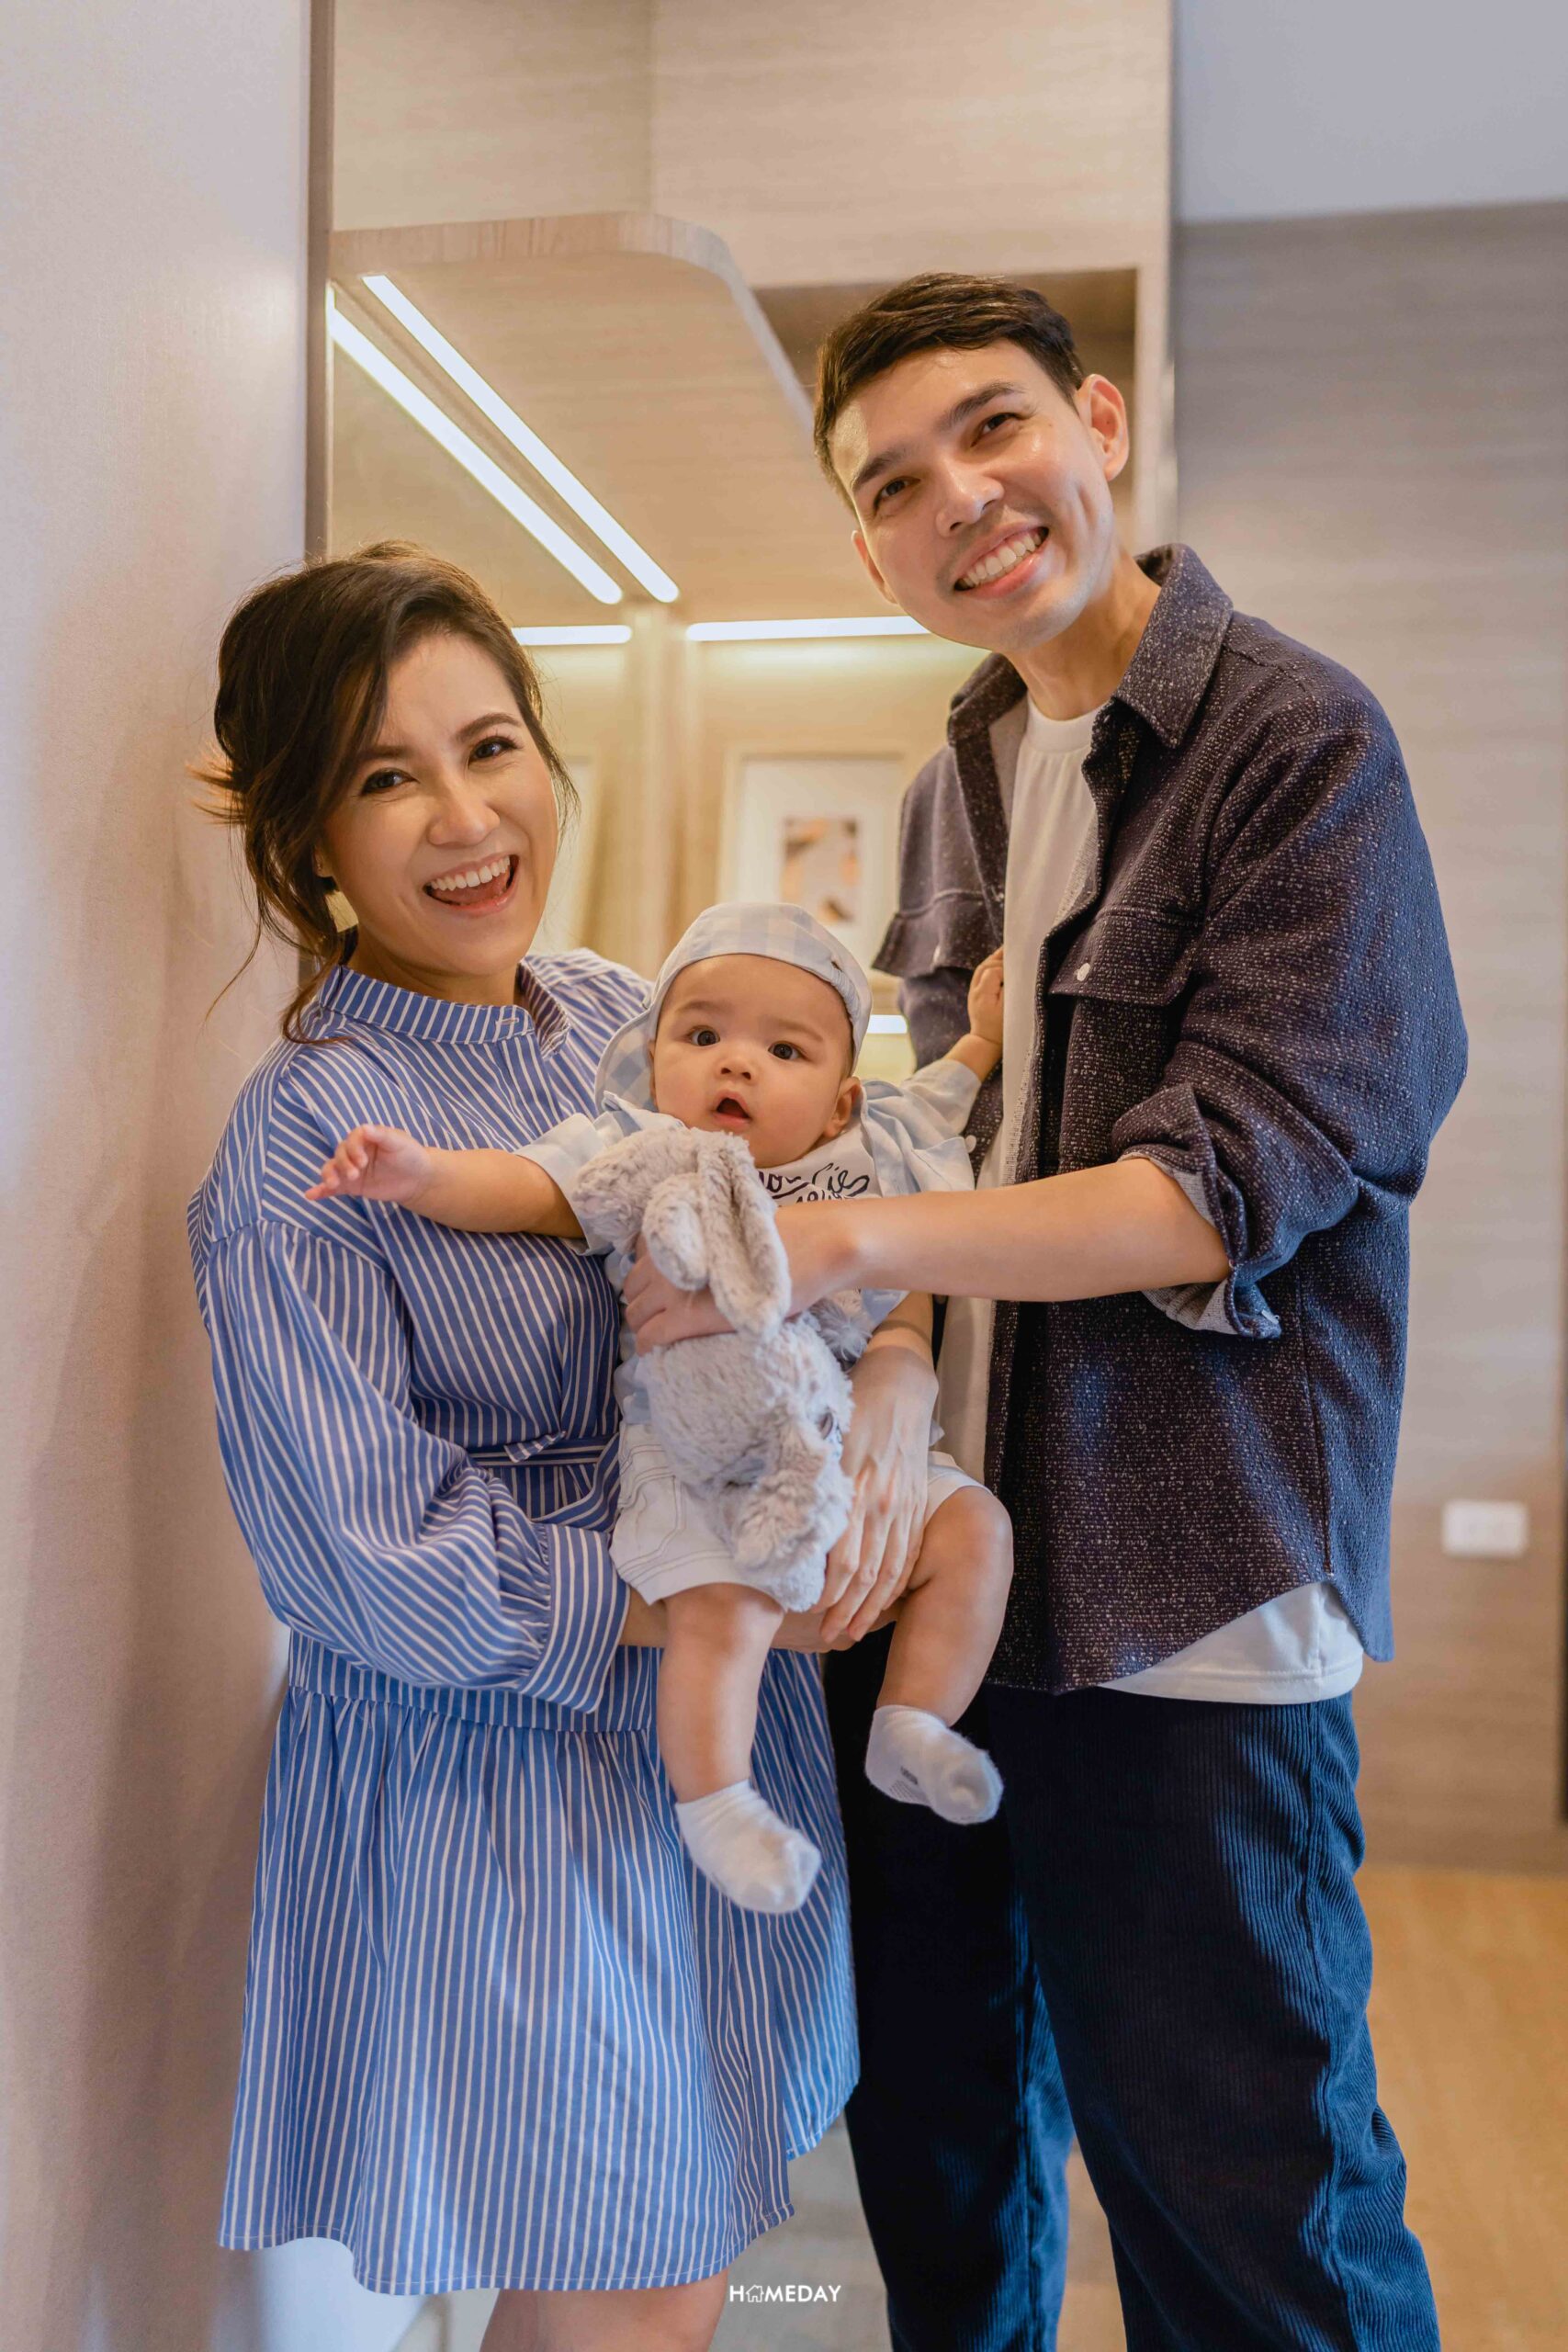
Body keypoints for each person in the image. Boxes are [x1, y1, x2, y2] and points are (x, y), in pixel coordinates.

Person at [625, 276, 1468, 2348]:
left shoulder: (1294, 741)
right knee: (940, 2176)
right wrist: (881, 1368)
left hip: (1179, 1604)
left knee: (1248, 2218)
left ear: (1095, 424)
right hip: (932, 1580)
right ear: (868, 549)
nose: (960, 498)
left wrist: (842, 1259)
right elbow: (943, 1130)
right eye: (893, 482)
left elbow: (1215, 1189)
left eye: (992, 428)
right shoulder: (967, 773)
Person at [186, 542, 940, 2352]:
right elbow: (366, 1561)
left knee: (670, 2255)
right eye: (386, 776)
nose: (466, 818)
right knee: (635, 2284)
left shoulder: (623, 1013)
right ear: (307, 837)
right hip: (504, 1781)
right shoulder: (305, 1144)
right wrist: (710, 1592)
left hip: (704, 1727)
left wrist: (898, 1379)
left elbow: (849, 1208)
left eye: (491, 745)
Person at [302, 904, 1015, 1914]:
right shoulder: (643, 1147)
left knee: (976, 1532)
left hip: (849, 1441)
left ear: (841, 1099)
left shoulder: (872, 1146)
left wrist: (983, 1037)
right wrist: (421, 1174)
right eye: (702, 1034)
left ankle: (911, 1722)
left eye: (784, 1050)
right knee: (723, 1605)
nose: (737, 1063)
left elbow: (940, 1098)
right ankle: (717, 1803)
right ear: (651, 1059)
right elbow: (530, 1185)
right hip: (698, 1453)